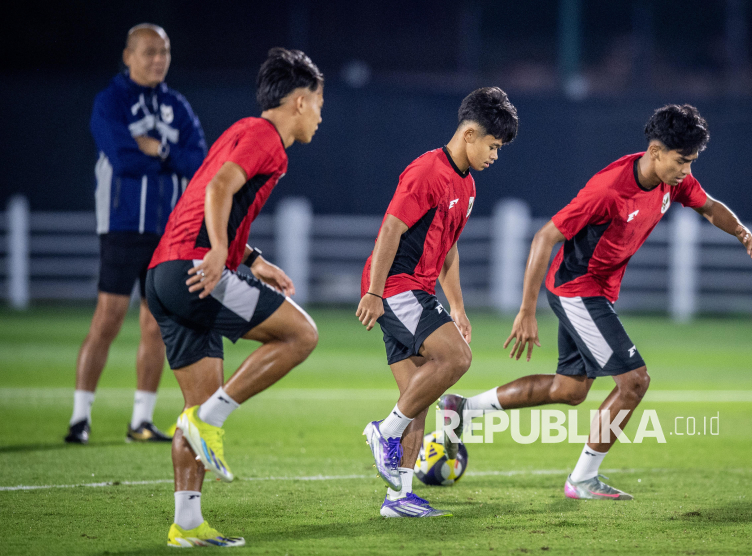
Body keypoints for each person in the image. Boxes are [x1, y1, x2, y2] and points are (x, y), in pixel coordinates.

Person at [440, 104, 752, 500]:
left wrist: (739, 229)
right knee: (635, 381)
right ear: (655, 151)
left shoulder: (672, 181)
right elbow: (544, 237)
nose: (686, 171)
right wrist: (526, 310)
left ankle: (463, 409)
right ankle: (583, 479)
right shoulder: (608, 190)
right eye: (682, 161)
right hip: (577, 290)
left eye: (692, 162)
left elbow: (708, 207)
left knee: (569, 389)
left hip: (595, 293)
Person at [146, 47, 322, 547]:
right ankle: (211, 419)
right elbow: (220, 187)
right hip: (197, 270)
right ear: (301, 101)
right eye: (320, 103)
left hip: (165, 274)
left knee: (195, 409)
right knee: (300, 335)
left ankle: (187, 522)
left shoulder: (242, 131)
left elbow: (217, 194)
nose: (321, 115)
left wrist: (251, 258)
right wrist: (222, 252)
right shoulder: (266, 136)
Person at [356, 87, 519, 518]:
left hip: (418, 289)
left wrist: (459, 308)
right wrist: (374, 292)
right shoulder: (427, 171)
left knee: (417, 395)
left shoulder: (467, 186)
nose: (494, 155)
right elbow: (391, 229)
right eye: (492, 145)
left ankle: (399, 498)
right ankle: (383, 432)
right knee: (457, 360)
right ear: (469, 134)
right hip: (395, 286)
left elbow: (448, 250)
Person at [65, 24, 207, 445]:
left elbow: (198, 160)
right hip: (122, 226)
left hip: (168, 233)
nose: (158, 59)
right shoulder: (111, 100)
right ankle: (80, 418)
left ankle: (140, 421)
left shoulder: (177, 106)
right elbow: (122, 159)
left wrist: (159, 149)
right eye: (148, 52)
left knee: (154, 326)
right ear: (128, 56)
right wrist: (169, 159)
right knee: (106, 320)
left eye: (163, 51)